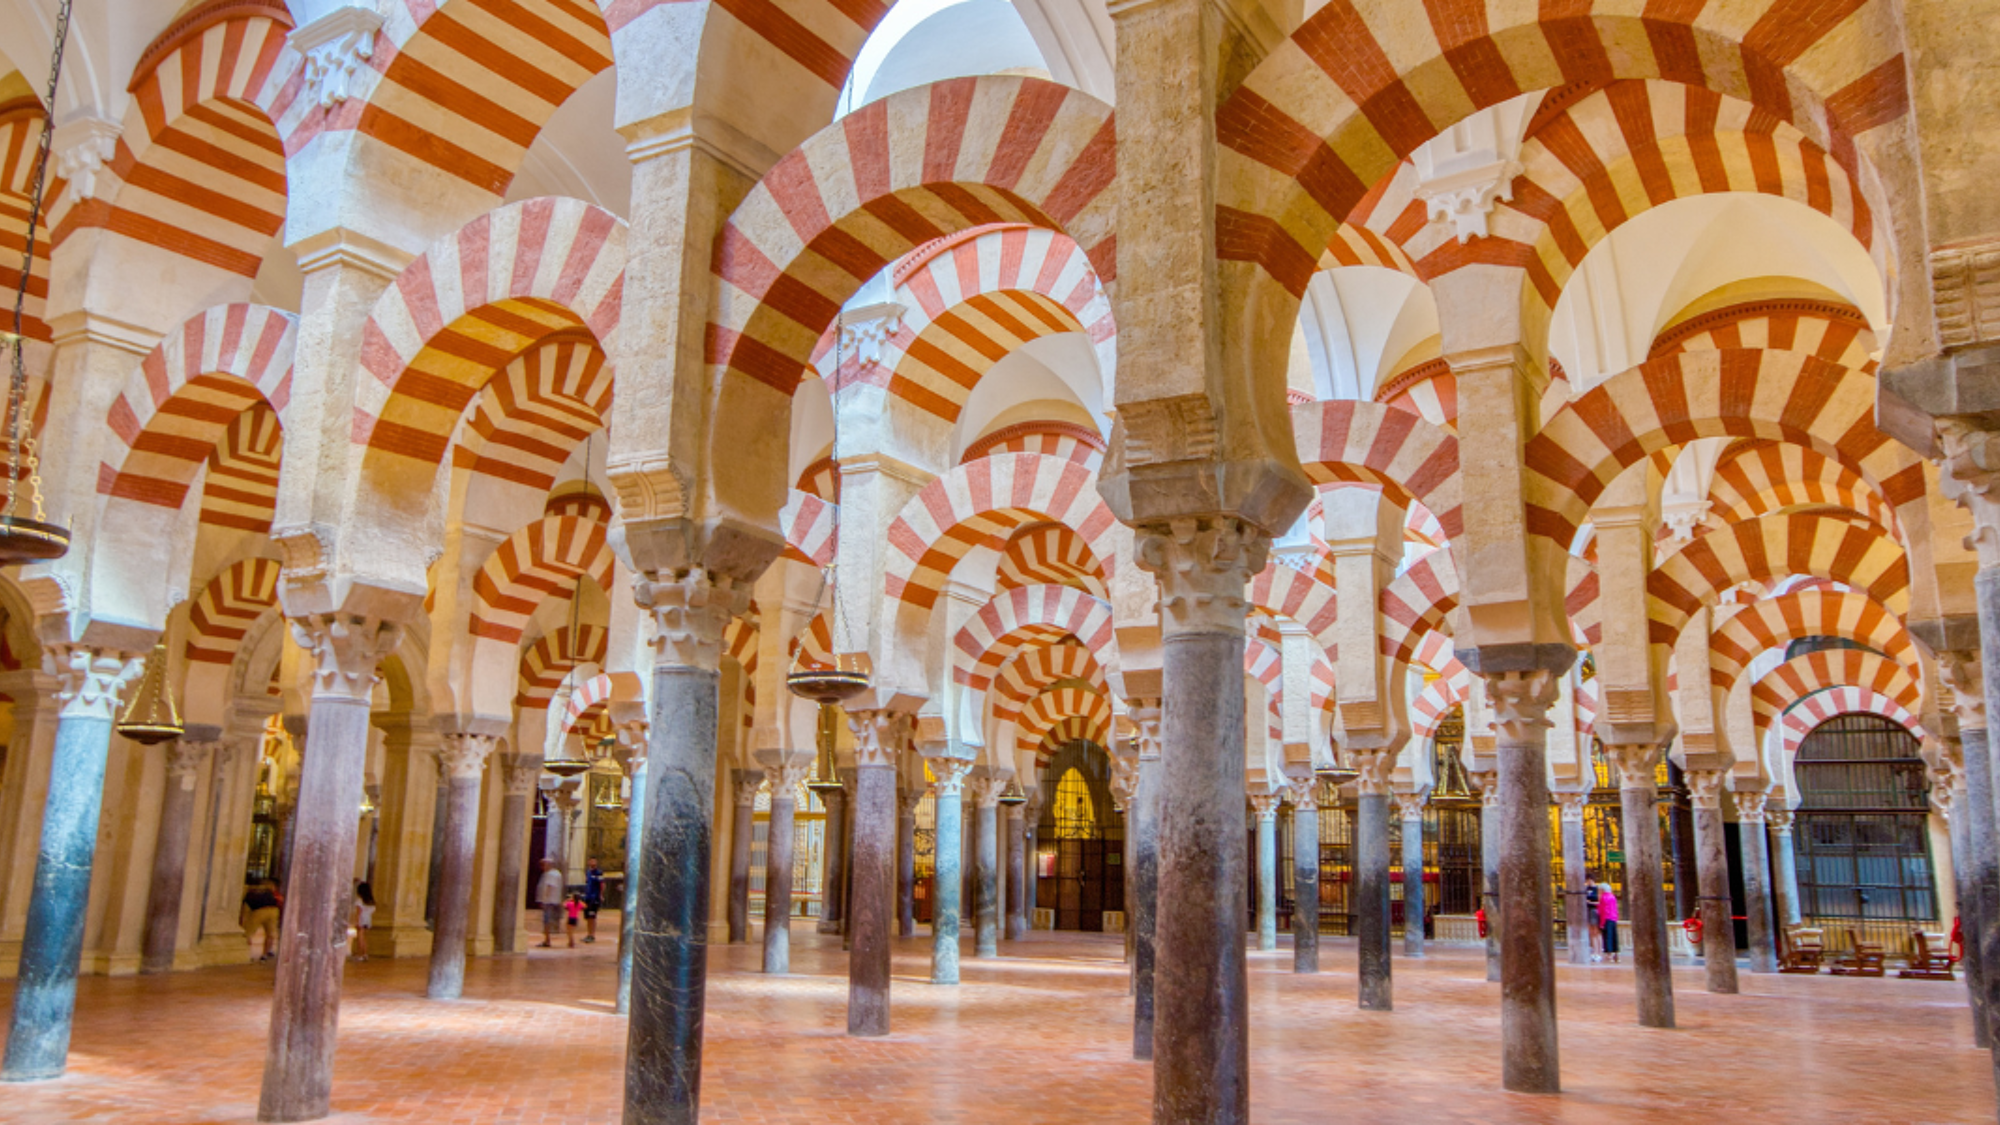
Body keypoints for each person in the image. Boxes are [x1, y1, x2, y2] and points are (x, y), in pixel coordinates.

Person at [241, 880, 281, 961]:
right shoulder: (269, 892)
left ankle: (245, 953)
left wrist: (244, 922)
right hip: (273, 910)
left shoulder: (250, 893)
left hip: (258, 911)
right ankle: (265, 954)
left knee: (248, 933)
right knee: (270, 934)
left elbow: (245, 910)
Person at [535, 858, 566, 948]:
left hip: (549, 901)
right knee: (549, 920)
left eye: (543, 865)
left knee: (547, 920)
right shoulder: (554, 873)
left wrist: (544, 899)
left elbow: (549, 887)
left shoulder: (551, 874)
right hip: (553, 900)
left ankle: (547, 939)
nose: (541, 867)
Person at [352, 881, 376, 961]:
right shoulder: (371, 901)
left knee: (360, 938)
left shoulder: (359, 901)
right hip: (368, 920)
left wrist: (357, 921)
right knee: (364, 938)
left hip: (361, 920)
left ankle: (359, 955)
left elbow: (358, 912)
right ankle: (365, 954)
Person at [1599, 880, 1621, 964]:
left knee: (1607, 937)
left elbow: (1603, 910)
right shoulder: (1613, 897)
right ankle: (1616, 953)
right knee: (1614, 936)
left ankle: (1609, 954)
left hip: (1607, 918)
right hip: (1613, 918)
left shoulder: (1604, 898)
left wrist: (1602, 923)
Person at [582, 858, 603, 943]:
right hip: (588, 897)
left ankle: (592, 935)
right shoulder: (588, 872)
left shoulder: (598, 872)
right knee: (588, 917)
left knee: (592, 916)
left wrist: (600, 895)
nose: (592, 862)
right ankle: (588, 933)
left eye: (594, 861)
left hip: (594, 897)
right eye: (590, 861)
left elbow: (602, 884)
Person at [1584, 875, 1603, 962]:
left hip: (1595, 910)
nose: (1588, 882)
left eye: (1589, 880)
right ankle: (1594, 951)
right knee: (1591, 932)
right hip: (1588, 910)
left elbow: (1600, 901)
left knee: (1596, 932)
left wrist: (1591, 902)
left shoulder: (1597, 889)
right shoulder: (1586, 889)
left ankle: (1599, 952)